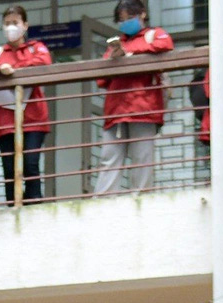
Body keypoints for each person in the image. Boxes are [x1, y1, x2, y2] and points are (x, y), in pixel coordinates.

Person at [0, 8, 54, 204]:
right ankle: (13, 205)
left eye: (15, 22)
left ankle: (35, 203)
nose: (11, 27)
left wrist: (15, 70)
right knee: (9, 167)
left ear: (25, 26)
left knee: (30, 163)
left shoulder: (36, 48)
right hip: (5, 121)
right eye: (7, 23)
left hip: (34, 118)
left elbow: (44, 62)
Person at [94, 1, 174, 195]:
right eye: (121, 20)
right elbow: (100, 79)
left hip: (143, 109)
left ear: (142, 14)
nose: (125, 23)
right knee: (109, 160)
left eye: (130, 17)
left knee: (142, 160)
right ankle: (102, 204)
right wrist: (117, 56)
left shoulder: (153, 35)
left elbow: (166, 44)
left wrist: (130, 54)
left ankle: (141, 204)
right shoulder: (116, 45)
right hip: (115, 111)